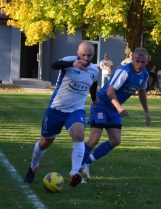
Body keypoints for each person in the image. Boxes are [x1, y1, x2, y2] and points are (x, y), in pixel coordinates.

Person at [24, 41, 99, 188]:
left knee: (79, 134)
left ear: (93, 55)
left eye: (89, 55)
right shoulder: (68, 61)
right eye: (83, 54)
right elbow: (54, 65)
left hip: (76, 110)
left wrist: (94, 98)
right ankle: (33, 166)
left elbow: (94, 84)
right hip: (56, 109)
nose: (85, 57)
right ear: (78, 52)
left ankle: (74, 172)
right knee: (45, 142)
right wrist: (72, 64)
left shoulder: (95, 70)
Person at [79, 47, 151, 179]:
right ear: (132, 58)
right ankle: (76, 169)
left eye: (143, 62)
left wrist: (146, 112)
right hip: (101, 103)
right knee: (94, 139)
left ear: (147, 61)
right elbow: (109, 91)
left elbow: (142, 92)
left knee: (115, 140)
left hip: (114, 108)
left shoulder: (145, 74)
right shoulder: (124, 71)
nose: (139, 65)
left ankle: (86, 163)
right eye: (137, 61)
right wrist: (119, 108)